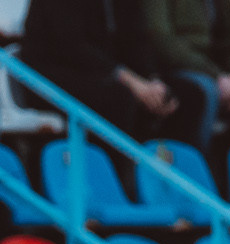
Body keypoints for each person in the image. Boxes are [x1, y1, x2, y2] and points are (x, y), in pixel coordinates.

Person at [133, 0, 230, 156]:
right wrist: (216, 77)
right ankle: (196, 173)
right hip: (174, 72)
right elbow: (161, 40)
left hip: (218, 73)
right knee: (205, 92)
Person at [19, 0, 186, 140]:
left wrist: (152, 80)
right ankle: (116, 175)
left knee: (183, 94)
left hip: (105, 73)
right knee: (119, 97)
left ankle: (166, 174)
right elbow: (72, 47)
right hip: (49, 76)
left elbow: (137, 41)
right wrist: (131, 81)